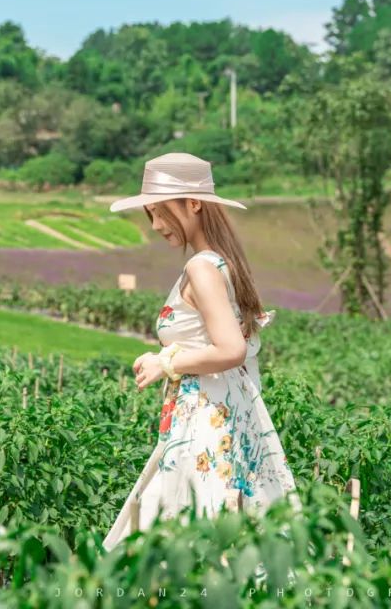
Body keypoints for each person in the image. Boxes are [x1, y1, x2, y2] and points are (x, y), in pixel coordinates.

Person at [102, 152, 301, 553]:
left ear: (193, 203)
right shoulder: (223, 263)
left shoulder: (201, 268)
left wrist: (166, 362)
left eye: (161, 212)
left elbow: (230, 349)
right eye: (150, 214)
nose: (156, 225)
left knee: (186, 526)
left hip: (207, 420)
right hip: (220, 411)